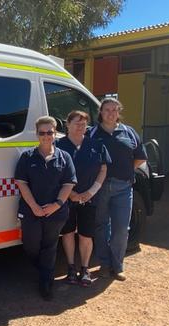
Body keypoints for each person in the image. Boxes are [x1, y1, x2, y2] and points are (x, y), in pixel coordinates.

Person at [15, 116, 77, 300]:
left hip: (56, 213)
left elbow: (68, 184)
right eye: (42, 133)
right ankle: (43, 269)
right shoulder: (27, 157)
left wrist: (56, 205)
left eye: (49, 132)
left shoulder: (64, 157)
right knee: (31, 245)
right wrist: (34, 207)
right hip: (31, 212)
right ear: (37, 134)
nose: (46, 136)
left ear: (55, 133)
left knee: (50, 246)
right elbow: (22, 184)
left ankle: (46, 282)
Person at [89, 98, 147, 281]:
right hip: (100, 187)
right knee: (101, 226)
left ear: (119, 112)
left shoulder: (128, 132)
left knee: (121, 228)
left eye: (114, 110)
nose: (111, 113)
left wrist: (127, 170)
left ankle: (118, 265)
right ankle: (105, 264)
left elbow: (140, 158)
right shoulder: (92, 133)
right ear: (101, 112)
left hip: (123, 187)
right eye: (107, 110)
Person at [56, 111, 111, 287]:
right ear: (68, 124)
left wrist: (92, 191)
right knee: (68, 232)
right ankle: (71, 268)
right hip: (66, 198)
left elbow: (103, 170)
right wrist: (71, 194)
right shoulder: (58, 145)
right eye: (76, 122)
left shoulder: (96, 145)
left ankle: (85, 269)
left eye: (84, 123)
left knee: (86, 234)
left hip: (89, 198)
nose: (80, 126)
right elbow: (55, 173)